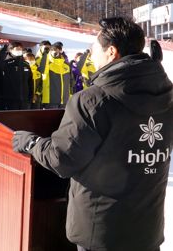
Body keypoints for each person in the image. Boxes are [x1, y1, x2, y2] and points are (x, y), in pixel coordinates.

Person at [12, 17, 173, 251]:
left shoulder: (93, 100)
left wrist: (31, 142)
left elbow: (63, 159)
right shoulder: (165, 97)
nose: (91, 54)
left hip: (102, 233)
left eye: (94, 48)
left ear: (111, 52)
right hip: (146, 232)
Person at [37, 41, 72, 109]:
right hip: (51, 100)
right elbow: (42, 70)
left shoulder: (66, 65)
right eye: (53, 49)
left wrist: (70, 94)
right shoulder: (47, 63)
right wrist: (45, 55)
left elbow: (71, 80)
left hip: (65, 100)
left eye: (58, 49)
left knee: (63, 119)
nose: (56, 51)